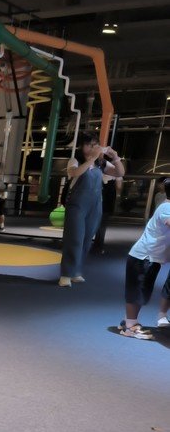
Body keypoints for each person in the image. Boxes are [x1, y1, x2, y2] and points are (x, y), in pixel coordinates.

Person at [59, 132, 124, 287]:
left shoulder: (102, 163)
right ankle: (66, 274)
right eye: (88, 144)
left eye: (95, 144)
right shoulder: (76, 160)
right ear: (81, 146)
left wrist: (115, 157)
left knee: (87, 239)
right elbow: (74, 172)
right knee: (74, 238)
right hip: (77, 205)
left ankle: (76, 271)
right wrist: (92, 159)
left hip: (95, 205)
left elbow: (120, 173)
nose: (92, 147)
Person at [119, 182, 170, 339]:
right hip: (144, 257)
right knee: (137, 291)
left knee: (142, 292)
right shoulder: (167, 207)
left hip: (150, 258)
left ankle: (128, 321)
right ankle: (130, 327)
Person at [92, 172, 122, 254]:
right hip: (108, 195)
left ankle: (84, 243)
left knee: (88, 220)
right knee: (103, 222)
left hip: (93, 193)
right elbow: (119, 186)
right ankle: (98, 246)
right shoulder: (115, 171)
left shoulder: (96, 168)